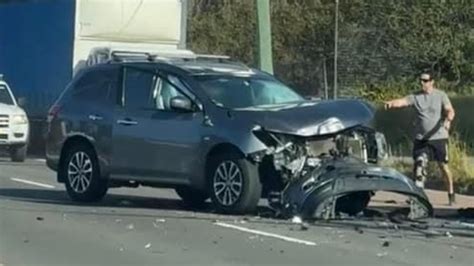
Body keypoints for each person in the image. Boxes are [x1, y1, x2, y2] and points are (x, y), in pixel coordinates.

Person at [384, 72, 456, 205]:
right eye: (421, 81)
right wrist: (391, 103)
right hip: (421, 139)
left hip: (438, 138)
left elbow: (450, 110)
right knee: (419, 164)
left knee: (443, 167)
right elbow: (403, 101)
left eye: (425, 80)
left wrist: (448, 120)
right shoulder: (416, 97)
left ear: (432, 82)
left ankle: (451, 194)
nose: (423, 83)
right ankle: (417, 196)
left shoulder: (440, 95)